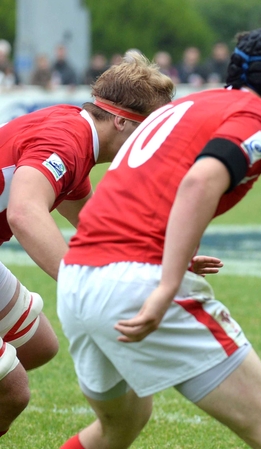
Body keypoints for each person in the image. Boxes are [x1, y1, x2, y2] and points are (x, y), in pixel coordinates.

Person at [57, 27, 261, 449]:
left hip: (78, 279)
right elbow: (198, 182)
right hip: (136, 281)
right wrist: (166, 286)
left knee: (118, 427)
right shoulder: (259, 120)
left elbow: (150, 188)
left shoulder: (192, 104)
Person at [0, 51, 174, 439]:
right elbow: (25, 213)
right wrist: (86, 288)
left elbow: (97, 228)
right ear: (121, 121)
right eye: (154, 129)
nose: (158, 143)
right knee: (10, 391)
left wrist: (165, 255)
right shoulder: (67, 139)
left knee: (38, 346)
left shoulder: (78, 136)